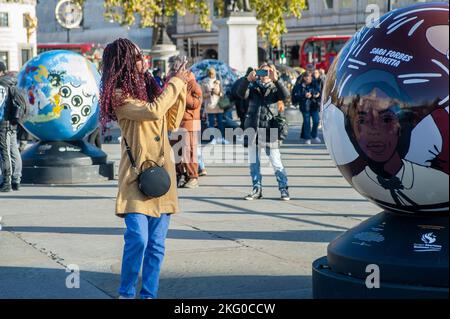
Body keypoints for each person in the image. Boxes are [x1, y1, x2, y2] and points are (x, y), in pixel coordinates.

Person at [99, 38, 189, 299]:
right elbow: (154, 111)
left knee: (157, 245)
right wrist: (175, 83)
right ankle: (126, 293)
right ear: (125, 63)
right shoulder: (119, 96)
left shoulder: (149, 89)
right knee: (138, 239)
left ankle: (148, 295)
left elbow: (170, 118)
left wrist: (180, 87)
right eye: (138, 57)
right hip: (136, 179)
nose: (144, 60)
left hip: (160, 176)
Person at [237, 63, 291, 201]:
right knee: (254, 163)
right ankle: (256, 189)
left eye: (267, 72)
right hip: (253, 128)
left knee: (275, 161)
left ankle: (284, 189)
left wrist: (276, 80)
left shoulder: (275, 88)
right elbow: (240, 94)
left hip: (270, 129)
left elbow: (285, 96)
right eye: (262, 72)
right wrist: (247, 80)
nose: (264, 75)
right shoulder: (253, 87)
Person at [175, 70, 202, 189]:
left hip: (190, 123)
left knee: (189, 152)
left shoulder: (194, 85)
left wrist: (183, 94)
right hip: (179, 123)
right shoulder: (180, 84)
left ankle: (193, 177)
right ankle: (182, 175)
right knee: (178, 152)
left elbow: (195, 104)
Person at [0, 61, 24, 192]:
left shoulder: (1, 85)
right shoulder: (12, 82)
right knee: (14, 150)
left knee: (4, 153)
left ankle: (6, 182)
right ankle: (16, 180)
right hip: (13, 122)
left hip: (2, 123)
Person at [292, 71, 321, 145]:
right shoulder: (299, 85)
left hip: (314, 106)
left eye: (311, 76)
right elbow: (296, 95)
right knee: (307, 122)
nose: (310, 78)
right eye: (308, 77)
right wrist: (304, 95)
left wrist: (315, 94)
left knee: (316, 121)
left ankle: (314, 136)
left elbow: (318, 91)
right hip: (304, 106)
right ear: (304, 78)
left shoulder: (314, 83)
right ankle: (307, 138)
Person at [202, 67, 226, 144]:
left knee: (220, 122)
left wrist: (218, 93)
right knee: (211, 123)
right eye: (210, 73)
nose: (212, 75)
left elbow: (222, 94)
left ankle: (221, 138)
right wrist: (210, 93)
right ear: (208, 73)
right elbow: (203, 95)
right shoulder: (204, 82)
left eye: (213, 73)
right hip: (210, 105)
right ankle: (213, 139)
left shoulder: (219, 81)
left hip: (218, 104)